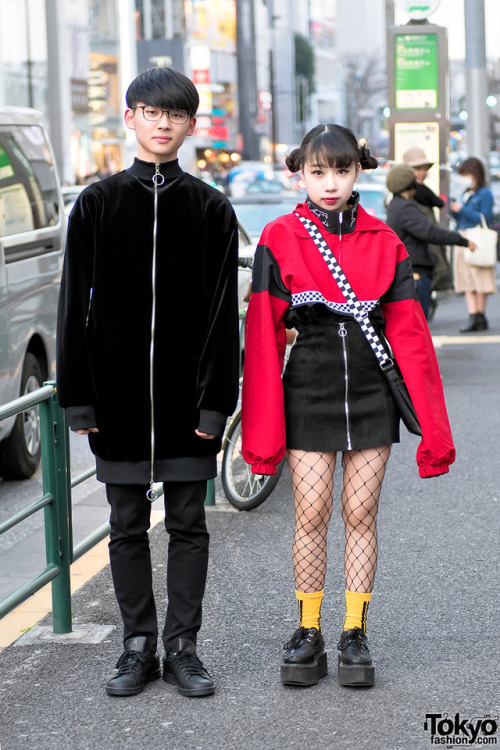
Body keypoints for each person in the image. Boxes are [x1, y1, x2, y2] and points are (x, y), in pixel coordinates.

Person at [241, 124, 455, 689]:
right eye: (317, 172)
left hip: (369, 392)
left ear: (359, 170)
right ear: (301, 173)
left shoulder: (387, 242)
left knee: (360, 516)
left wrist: (435, 430)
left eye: (340, 170)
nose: (329, 183)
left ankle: (354, 631)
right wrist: (260, 435)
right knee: (311, 515)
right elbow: (263, 335)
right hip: (307, 388)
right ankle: (308, 630)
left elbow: (410, 337)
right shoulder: (279, 236)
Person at [56, 66, 239, 698]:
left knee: (190, 524)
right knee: (126, 523)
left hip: (189, 402)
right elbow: (73, 305)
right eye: (151, 112)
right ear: (130, 117)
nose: (164, 123)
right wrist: (77, 394)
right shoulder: (98, 204)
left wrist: (217, 403)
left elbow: (223, 317)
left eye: (177, 114)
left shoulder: (211, 207)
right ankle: (137, 647)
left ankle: (183, 647)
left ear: (192, 125)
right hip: (118, 400)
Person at [385, 163, 475, 320]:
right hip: (416, 274)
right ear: (410, 183)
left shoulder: (395, 204)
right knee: (417, 326)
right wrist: (462, 240)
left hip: (411, 272)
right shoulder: (405, 207)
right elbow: (430, 232)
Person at [450, 156, 496, 332]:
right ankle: (473, 316)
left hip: (477, 238)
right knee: (466, 278)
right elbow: (461, 217)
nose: (465, 179)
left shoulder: (485, 193)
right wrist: (454, 210)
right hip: (462, 236)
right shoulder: (464, 193)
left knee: (479, 277)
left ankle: (480, 316)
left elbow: (484, 217)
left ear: (475, 174)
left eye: (467, 174)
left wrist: (462, 208)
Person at [403, 147, 453, 296]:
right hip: (416, 262)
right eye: (417, 169)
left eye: (424, 169)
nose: (422, 173)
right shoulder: (407, 197)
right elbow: (425, 231)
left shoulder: (424, 194)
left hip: (426, 260)